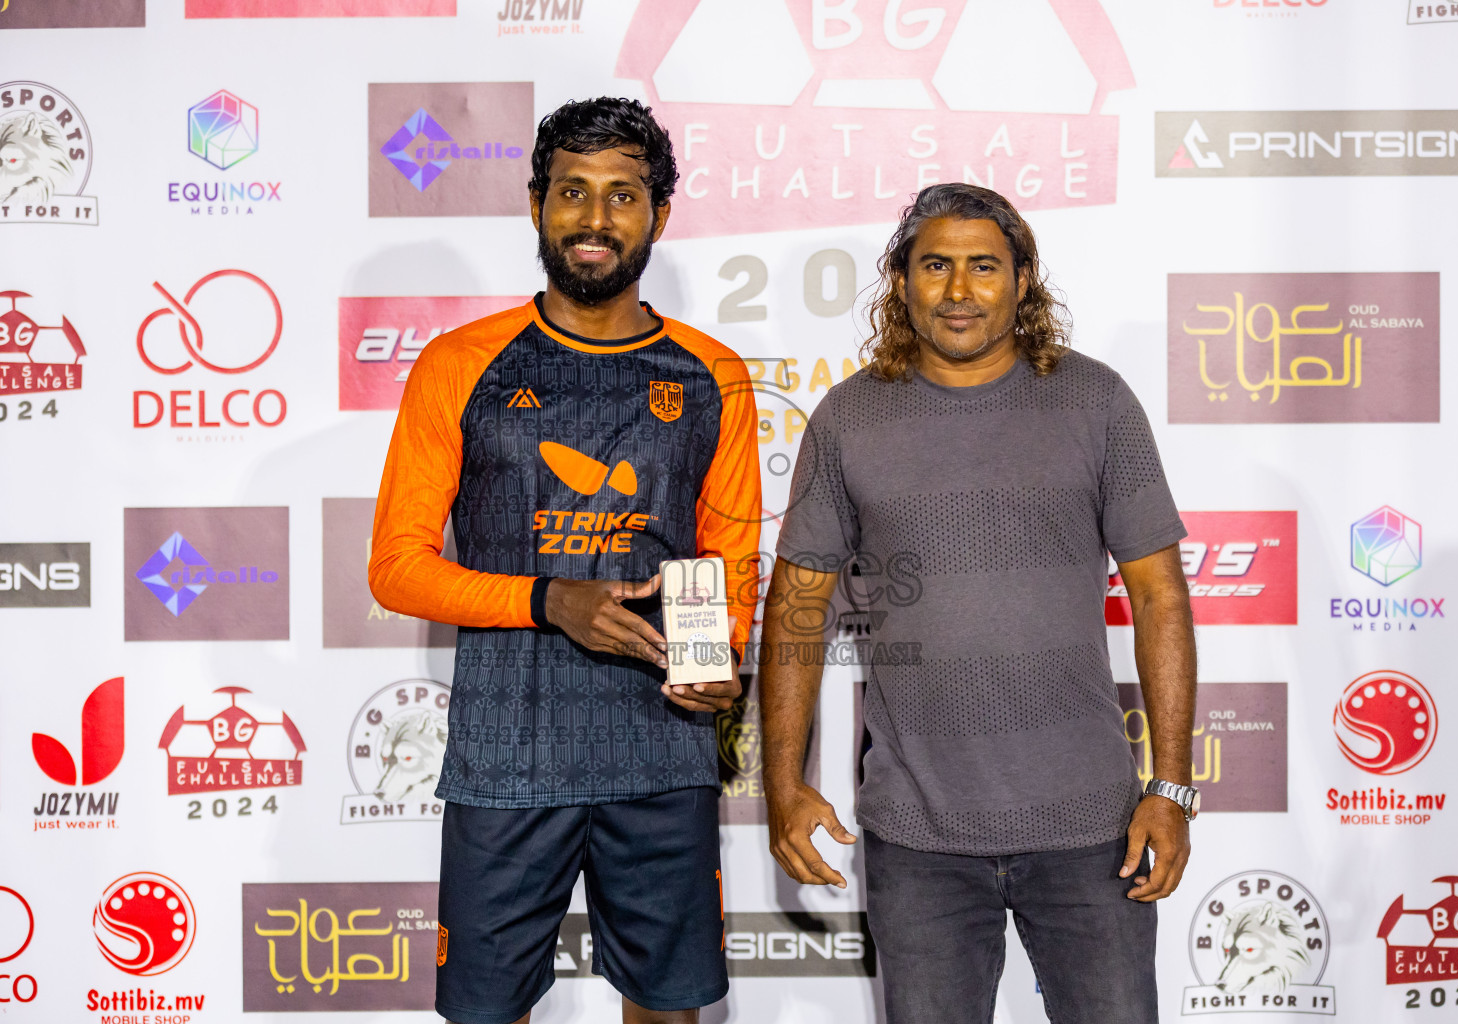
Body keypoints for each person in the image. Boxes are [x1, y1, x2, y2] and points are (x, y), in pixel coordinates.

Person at [759, 183, 1197, 1023]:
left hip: (1091, 831)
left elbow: (1161, 602)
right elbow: (796, 608)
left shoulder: (1096, 402)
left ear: (1022, 279)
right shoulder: (849, 417)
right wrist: (784, 782)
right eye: (936, 266)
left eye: (983, 266)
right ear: (901, 280)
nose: (959, 291)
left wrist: (1170, 789)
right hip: (919, 838)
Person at [369, 96, 761, 1024]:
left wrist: (724, 658)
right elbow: (396, 568)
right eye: (573, 193)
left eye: (623, 195)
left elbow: (730, 559)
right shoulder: (460, 364)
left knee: (668, 1007)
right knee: (483, 1011)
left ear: (659, 216)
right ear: (537, 205)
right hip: (507, 757)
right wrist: (552, 600)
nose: (595, 219)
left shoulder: (713, 373)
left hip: (661, 750)